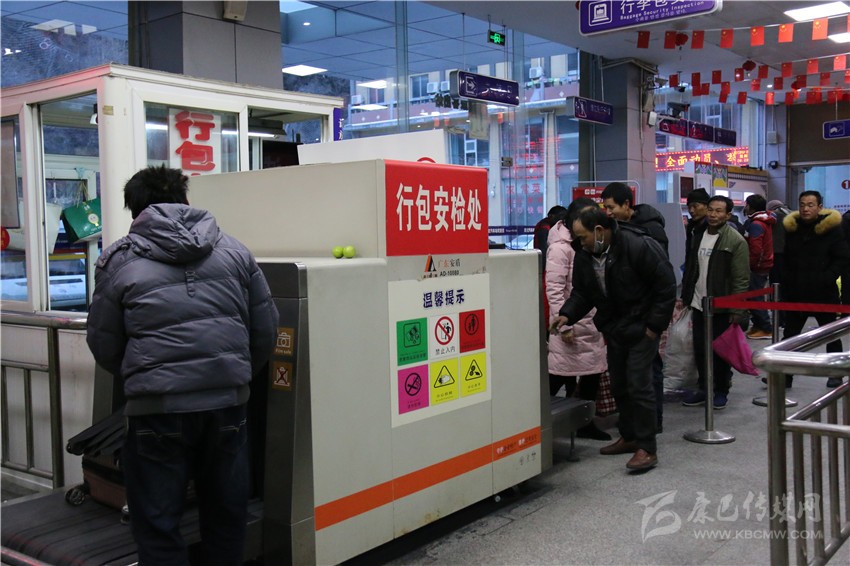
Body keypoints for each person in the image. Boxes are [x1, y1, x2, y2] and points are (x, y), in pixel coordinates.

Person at [86, 165, 280, 565]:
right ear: (186, 200)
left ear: (135, 210)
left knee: (158, 525)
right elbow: (265, 330)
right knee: (226, 518)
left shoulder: (118, 261)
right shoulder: (236, 252)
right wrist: (233, 376)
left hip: (156, 410)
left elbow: (104, 344)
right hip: (227, 405)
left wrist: (145, 375)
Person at [549, 206, 676, 471]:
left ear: (599, 231)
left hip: (642, 327)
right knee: (620, 385)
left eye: (583, 236)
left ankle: (647, 447)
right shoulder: (585, 254)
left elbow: (665, 287)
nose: (579, 242)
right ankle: (629, 437)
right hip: (615, 327)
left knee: (639, 385)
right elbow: (583, 293)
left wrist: (653, 327)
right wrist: (566, 315)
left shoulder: (638, 245)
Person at [600, 181, 668, 432]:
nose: (608, 212)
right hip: (625, 318)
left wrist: (653, 325)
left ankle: (652, 423)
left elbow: (662, 281)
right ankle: (631, 428)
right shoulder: (616, 229)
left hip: (645, 317)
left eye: (611, 207)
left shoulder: (649, 231)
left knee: (648, 374)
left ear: (626, 204)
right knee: (627, 378)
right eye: (605, 208)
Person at [545, 198, 611, 441]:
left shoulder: (588, 242)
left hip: (591, 321)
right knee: (559, 374)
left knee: (592, 373)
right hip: (570, 321)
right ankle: (541, 423)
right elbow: (554, 290)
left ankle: (585, 423)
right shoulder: (559, 248)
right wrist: (564, 325)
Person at [681, 195, 749, 410]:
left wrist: (737, 309)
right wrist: (686, 295)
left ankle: (721, 390)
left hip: (721, 306)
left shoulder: (735, 240)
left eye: (719, 211)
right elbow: (691, 267)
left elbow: (740, 279)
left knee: (720, 352)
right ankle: (704, 388)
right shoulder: (698, 234)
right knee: (700, 350)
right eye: (711, 209)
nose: (713, 214)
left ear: (728, 215)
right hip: (698, 303)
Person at [781, 191, 850, 388]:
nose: (806, 209)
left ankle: (835, 373)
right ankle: (784, 375)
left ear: (820, 207)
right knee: (790, 336)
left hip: (823, 292)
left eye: (810, 205)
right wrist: (787, 280)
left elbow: (842, 257)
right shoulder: (792, 229)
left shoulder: (832, 229)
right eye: (802, 204)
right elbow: (786, 257)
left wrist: (827, 277)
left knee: (830, 334)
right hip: (796, 291)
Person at [742, 194, 775, 340]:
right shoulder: (764, 220)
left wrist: (749, 264)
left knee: (755, 297)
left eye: (746, 204)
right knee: (755, 295)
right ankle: (758, 325)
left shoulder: (756, 224)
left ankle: (765, 328)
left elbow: (756, 249)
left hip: (757, 266)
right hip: (763, 264)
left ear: (750, 206)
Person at [767, 199, 791, 327]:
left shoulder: (774, 216)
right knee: (786, 287)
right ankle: (786, 317)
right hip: (788, 256)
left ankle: (779, 318)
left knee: (776, 287)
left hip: (776, 255)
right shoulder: (790, 213)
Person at [685, 188, 710, 263]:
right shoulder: (691, 228)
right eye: (689, 207)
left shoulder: (714, 228)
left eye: (695, 206)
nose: (691, 210)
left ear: (707, 206)